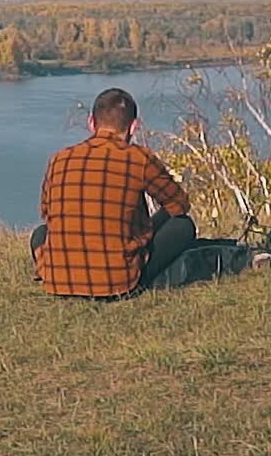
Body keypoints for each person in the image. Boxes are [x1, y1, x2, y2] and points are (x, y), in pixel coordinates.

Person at [31, 87, 196, 299]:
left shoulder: (59, 158)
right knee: (182, 224)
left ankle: (62, 274)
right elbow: (179, 205)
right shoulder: (138, 157)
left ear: (92, 122)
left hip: (58, 283)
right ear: (133, 126)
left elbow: (46, 213)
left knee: (40, 233)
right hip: (117, 283)